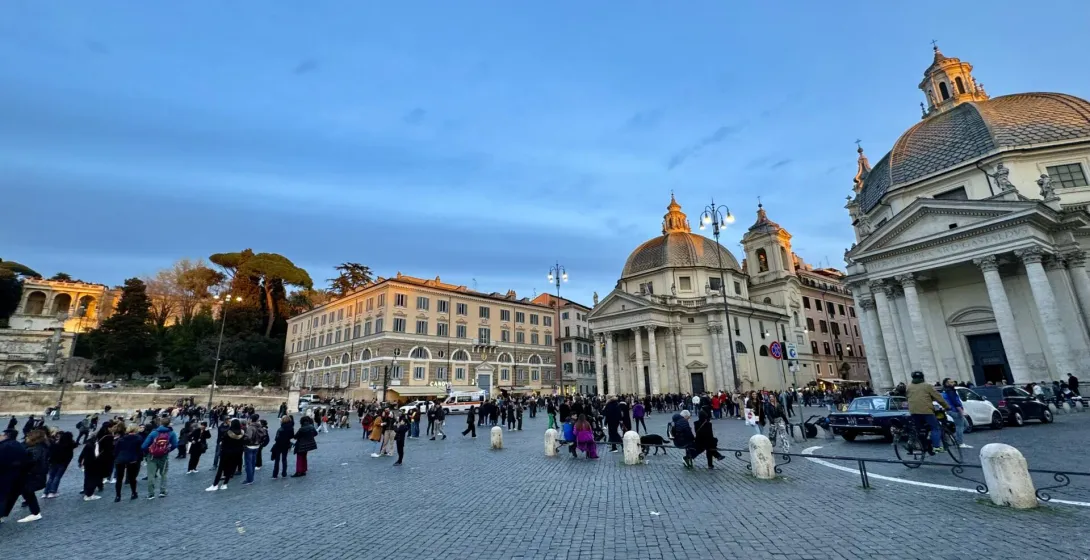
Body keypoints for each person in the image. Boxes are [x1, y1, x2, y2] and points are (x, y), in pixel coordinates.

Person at [4, 428, 48, 522]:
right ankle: (35, 513)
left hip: (33, 476)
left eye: (28, 436)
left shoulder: (37, 449)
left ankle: (36, 513)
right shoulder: (35, 447)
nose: (26, 437)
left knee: (23, 493)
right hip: (30, 475)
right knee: (23, 493)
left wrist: (13, 464)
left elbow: (29, 462)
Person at [906, 371, 949, 453]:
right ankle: (936, 447)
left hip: (913, 411)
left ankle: (923, 445)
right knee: (935, 428)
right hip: (926, 411)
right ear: (922, 377)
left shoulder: (909, 387)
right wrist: (947, 406)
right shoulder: (927, 386)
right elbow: (938, 397)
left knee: (920, 429)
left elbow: (907, 397)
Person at [141, 417, 177, 499]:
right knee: (163, 474)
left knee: (151, 475)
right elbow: (175, 445)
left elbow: (144, 446)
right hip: (164, 456)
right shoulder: (171, 433)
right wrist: (167, 451)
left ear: (160, 423)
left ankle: (151, 494)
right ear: (169, 424)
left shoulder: (154, 433)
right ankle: (162, 491)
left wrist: (150, 451)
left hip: (152, 456)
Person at [206, 419, 244, 492]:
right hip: (236, 453)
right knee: (230, 468)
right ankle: (225, 484)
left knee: (220, 469)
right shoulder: (242, 433)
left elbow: (223, 443)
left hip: (226, 453)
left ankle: (215, 485)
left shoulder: (228, 433)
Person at [43, 430, 77, 499]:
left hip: (53, 462)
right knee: (57, 477)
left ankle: (45, 492)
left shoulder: (55, 445)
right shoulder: (69, 445)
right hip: (62, 463)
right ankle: (52, 492)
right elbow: (74, 444)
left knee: (51, 477)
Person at [113, 425, 144, 502]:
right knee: (132, 478)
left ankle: (118, 496)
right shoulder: (138, 438)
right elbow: (140, 450)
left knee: (119, 479)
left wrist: (116, 458)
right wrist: (140, 459)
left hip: (120, 459)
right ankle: (133, 493)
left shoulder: (121, 439)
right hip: (132, 459)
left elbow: (116, 450)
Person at [941, 378, 971, 450]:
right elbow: (955, 402)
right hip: (955, 411)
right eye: (951, 382)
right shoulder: (950, 391)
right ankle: (960, 443)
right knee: (960, 426)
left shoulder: (948, 391)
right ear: (947, 384)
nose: (953, 383)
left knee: (966, 425)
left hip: (953, 410)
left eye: (953, 381)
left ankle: (954, 437)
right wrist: (961, 411)